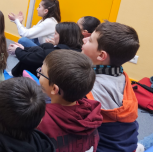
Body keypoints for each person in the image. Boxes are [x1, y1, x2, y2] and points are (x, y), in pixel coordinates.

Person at [82, 21, 140, 152]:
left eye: (90, 40)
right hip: (128, 143)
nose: (84, 39)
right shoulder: (121, 74)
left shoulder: (86, 87)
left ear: (101, 55)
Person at [37, 50, 103, 152]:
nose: (39, 74)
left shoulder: (39, 119)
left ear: (55, 89)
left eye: (41, 73)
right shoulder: (92, 112)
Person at [8, 22, 83, 77]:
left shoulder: (56, 53)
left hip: (46, 80)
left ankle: (13, 74)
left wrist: (17, 50)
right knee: (46, 46)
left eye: (56, 33)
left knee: (25, 44)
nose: (54, 35)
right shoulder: (77, 50)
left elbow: (30, 57)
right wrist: (23, 48)